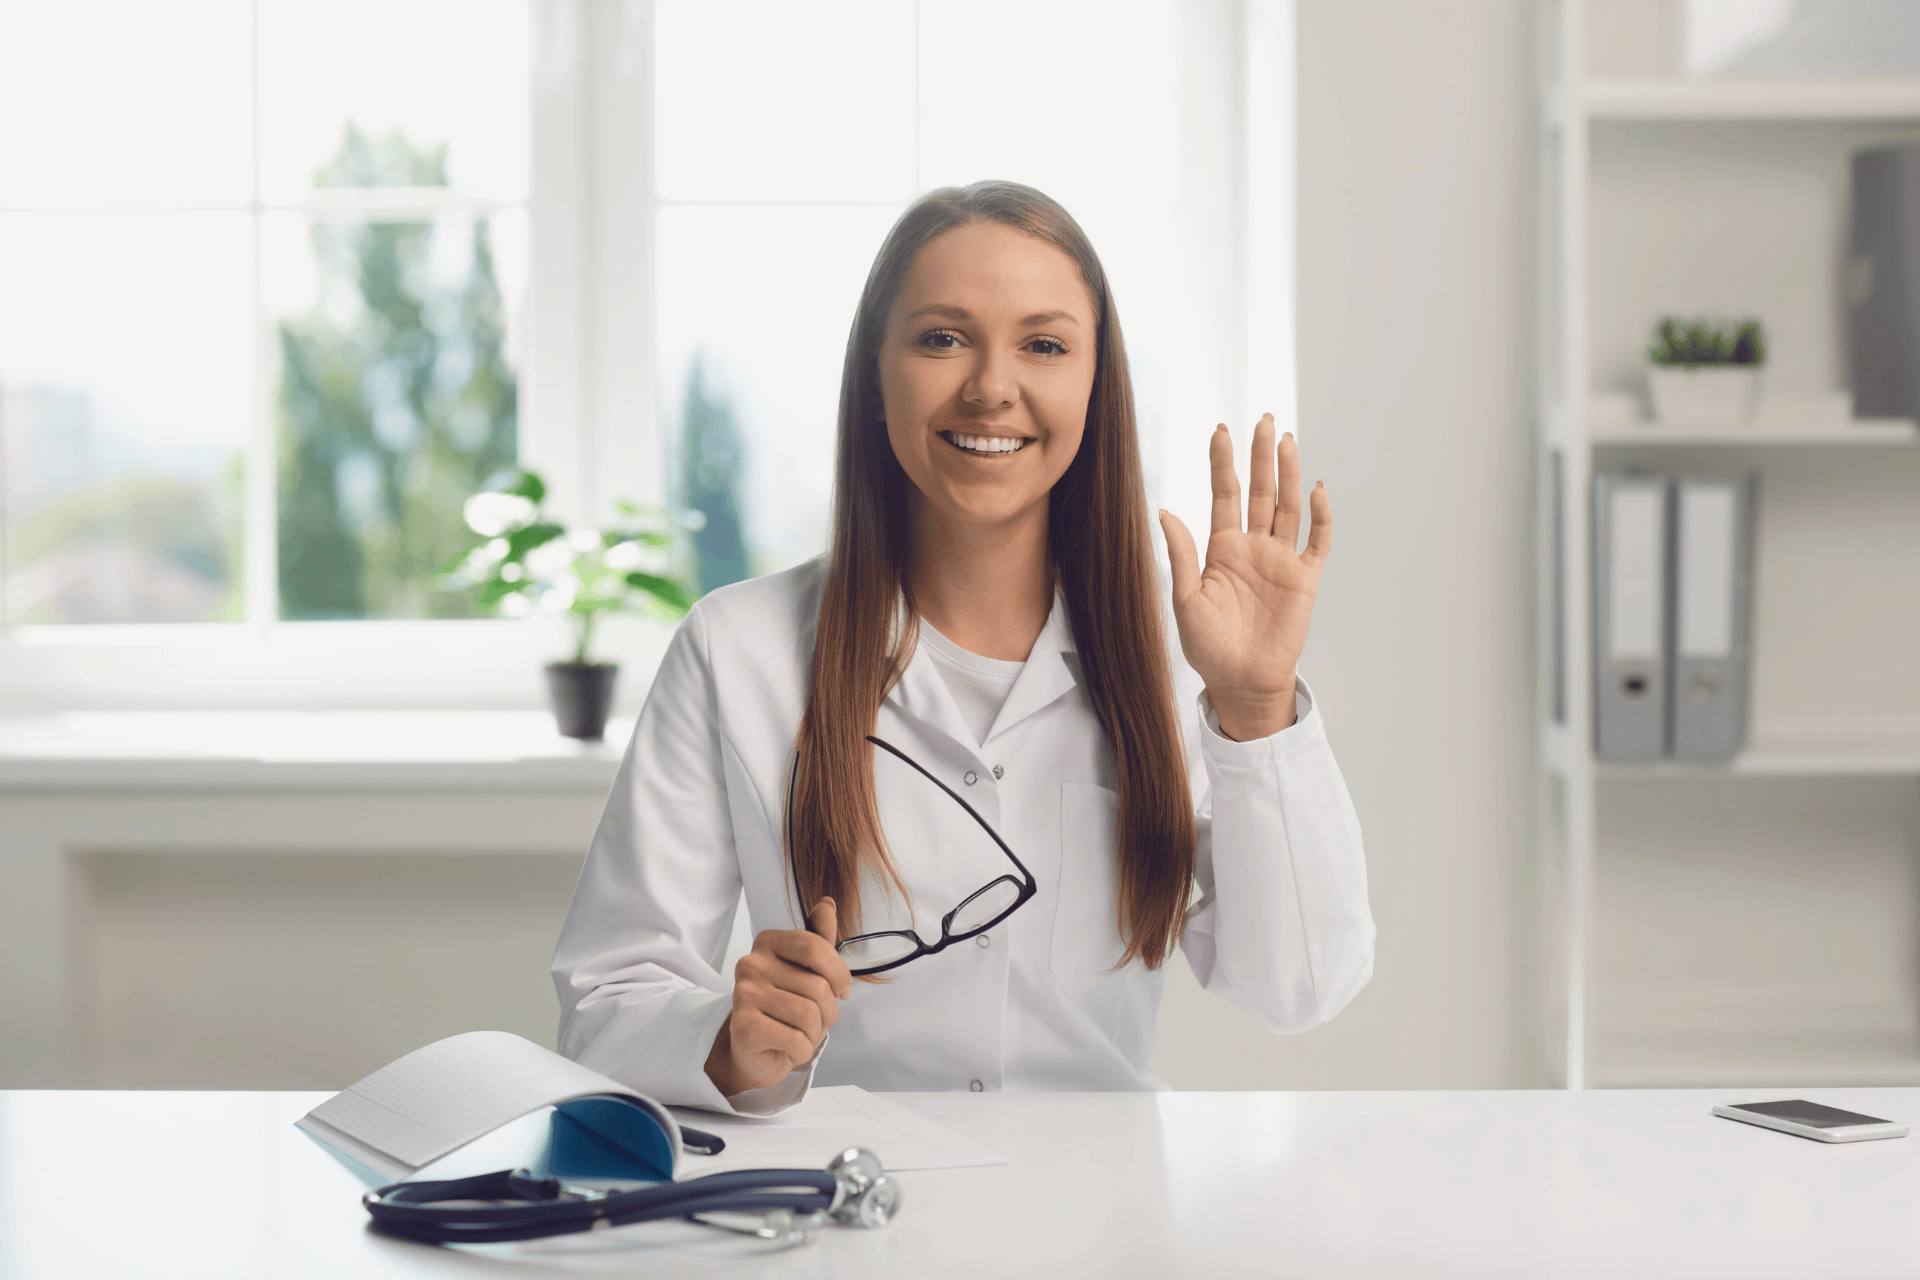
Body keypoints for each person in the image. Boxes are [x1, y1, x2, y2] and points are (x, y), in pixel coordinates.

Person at [552, 180, 1373, 1112]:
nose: (991, 386)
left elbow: (1299, 985)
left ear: (1096, 387)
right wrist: (729, 1047)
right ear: (875, 376)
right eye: (942, 338)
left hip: (1100, 1228)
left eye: (1045, 345)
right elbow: (606, 1000)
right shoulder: (734, 650)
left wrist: (1258, 709)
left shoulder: (1181, 649)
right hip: (844, 1217)